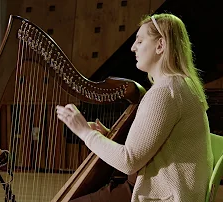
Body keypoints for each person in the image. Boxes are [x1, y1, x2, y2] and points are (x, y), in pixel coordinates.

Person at [56, 13, 213, 202]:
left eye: (139, 41)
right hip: (179, 191)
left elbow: (128, 162)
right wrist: (107, 136)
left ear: (160, 45)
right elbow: (153, 148)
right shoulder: (182, 85)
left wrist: (84, 133)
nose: (132, 48)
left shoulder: (165, 92)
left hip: (165, 196)